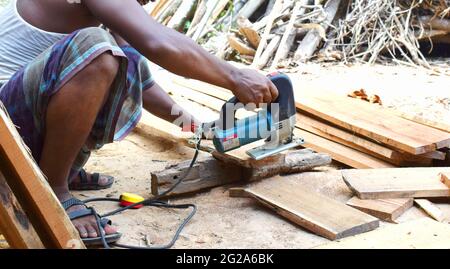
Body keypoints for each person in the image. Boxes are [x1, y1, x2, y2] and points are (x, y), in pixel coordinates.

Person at [0, 0, 278, 245]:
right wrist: (234, 76)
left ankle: (58, 163)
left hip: (22, 126)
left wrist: (195, 126)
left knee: (119, 57)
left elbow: (140, 80)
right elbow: (158, 43)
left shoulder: (105, 16)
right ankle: (56, 187)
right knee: (97, 49)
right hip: (6, 140)